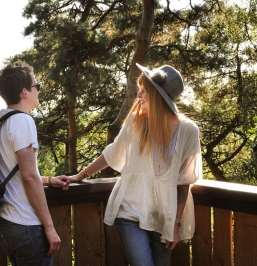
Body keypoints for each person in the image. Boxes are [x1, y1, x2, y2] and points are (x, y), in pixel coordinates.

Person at [68, 63, 202, 266]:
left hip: (163, 218)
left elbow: (185, 182)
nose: (138, 96)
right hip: (130, 212)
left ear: (158, 97)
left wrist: (175, 225)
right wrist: (80, 176)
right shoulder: (135, 122)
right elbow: (112, 153)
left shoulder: (188, 131)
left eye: (144, 91)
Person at [0, 60, 70, 266]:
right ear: (25, 92)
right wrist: (50, 227)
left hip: (4, 224)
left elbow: (13, 173)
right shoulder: (23, 121)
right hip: (25, 224)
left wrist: (48, 180)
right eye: (37, 86)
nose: (39, 91)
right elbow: (28, 176)